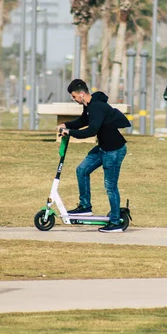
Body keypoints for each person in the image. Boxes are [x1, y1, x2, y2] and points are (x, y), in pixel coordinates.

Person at [58, 79, 131, 233]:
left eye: (74, 96)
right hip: (103, 148)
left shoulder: (97, 107)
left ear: (82, 94)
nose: (73, 99)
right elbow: (83, 121)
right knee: (82, 170)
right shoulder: (89, 106)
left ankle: (116, 222)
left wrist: (71, 133)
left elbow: (91, 130)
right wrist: (67, 125)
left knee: (110, 186)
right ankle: (85, 207)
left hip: (114, 150)